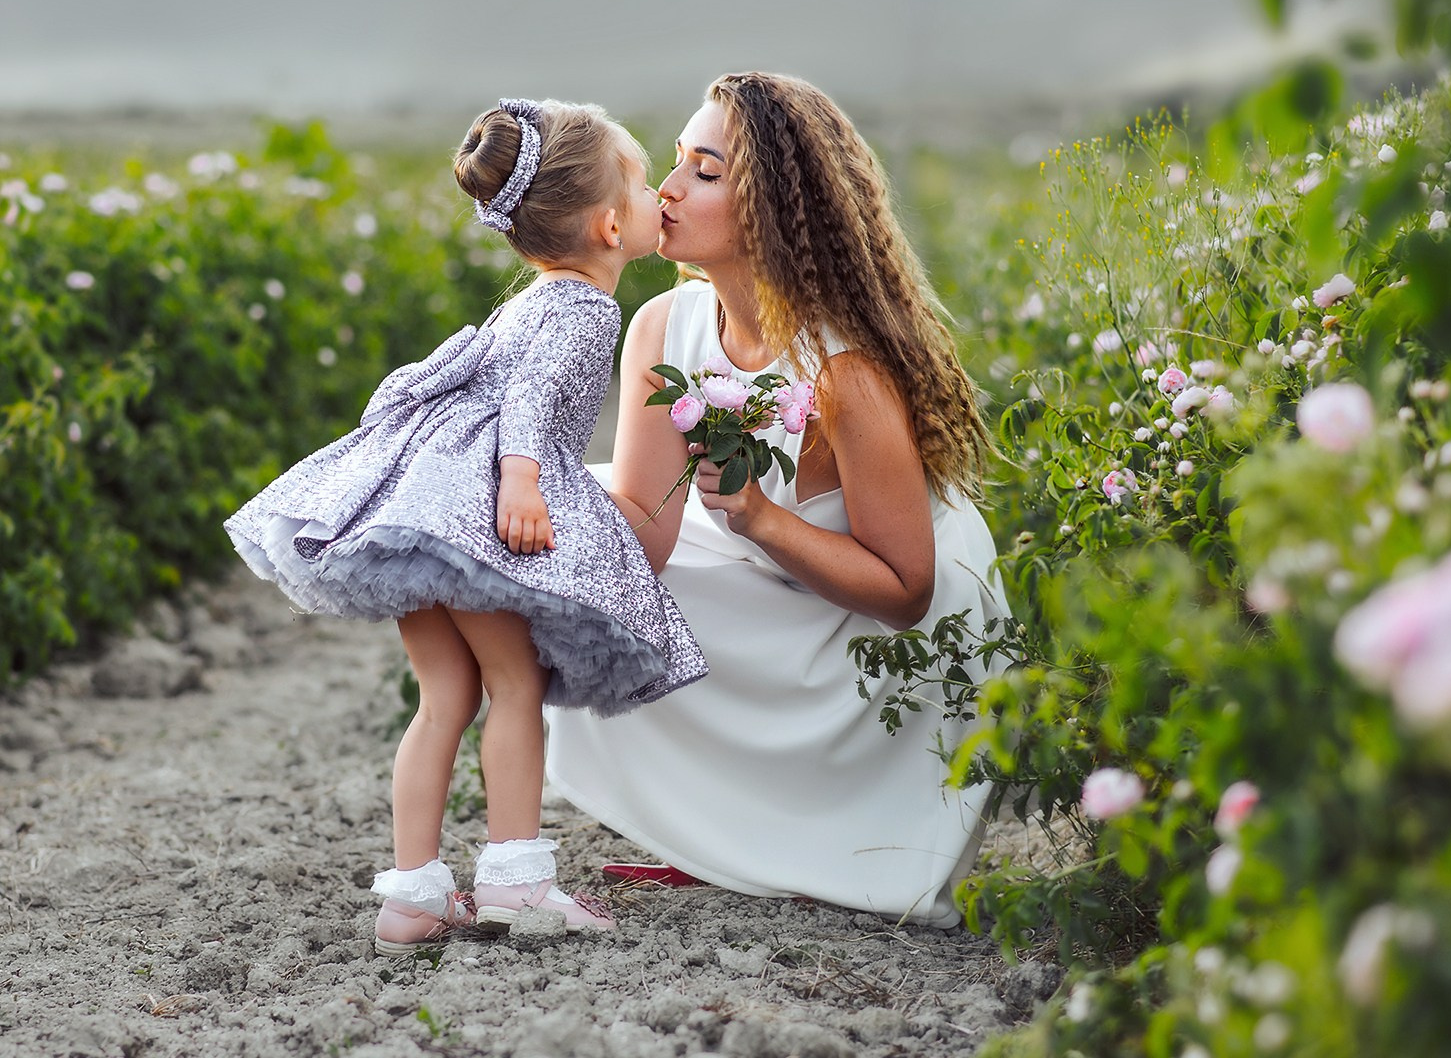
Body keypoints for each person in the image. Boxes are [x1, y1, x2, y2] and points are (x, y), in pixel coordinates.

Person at [226, 98, 705, 955]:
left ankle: (411, 894)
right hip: (476, 515)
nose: (655, 197)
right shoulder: (586, 309)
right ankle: (518, 880)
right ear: (607, 224)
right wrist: (522, 478)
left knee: (442, 698)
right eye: (640, 182)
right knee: (513, 688)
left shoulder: (526, 300)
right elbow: (524, 399)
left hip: (422, 510)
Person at [545, 73, 1010, 928]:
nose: (669, 190)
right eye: (675, 164)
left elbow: (907, 589)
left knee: (684, 589)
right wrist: (526, 506)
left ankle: (814, 839)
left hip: (892, 642)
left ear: (772, 210)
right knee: (624, 596)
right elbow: (644, 539)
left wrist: (758, 514)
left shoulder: (846, 373)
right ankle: (719, 838)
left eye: (706, 171)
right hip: (775, 586)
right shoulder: (660, 328)